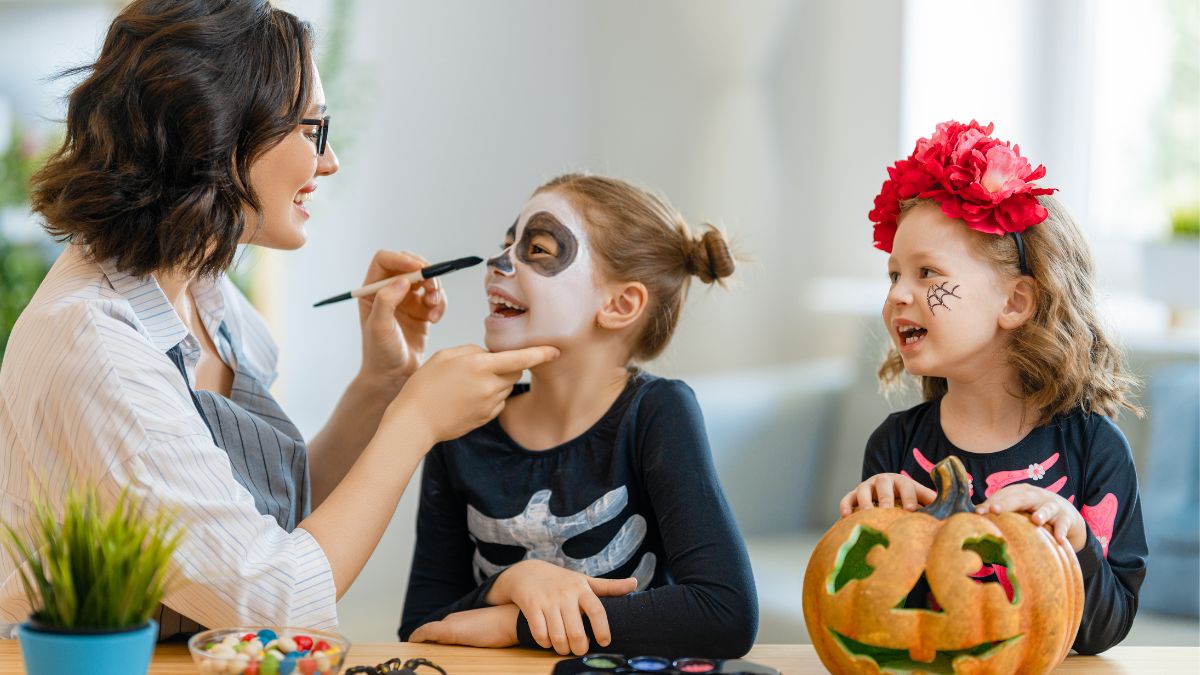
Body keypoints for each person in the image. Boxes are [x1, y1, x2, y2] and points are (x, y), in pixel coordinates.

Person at [0, 0, 556, 639]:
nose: (329, 160)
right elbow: (274, 602)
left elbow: (256, 526)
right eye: (312, 129)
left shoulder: (210, 297)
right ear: (216, 129)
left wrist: (381, 385)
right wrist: (416, 422)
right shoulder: (93, 344)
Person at [399, 174, 758, 656]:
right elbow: (421, 628)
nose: (497, 263)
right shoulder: (462, 424)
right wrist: (512, 582)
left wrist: (515, 624)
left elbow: (724, 612)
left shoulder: (657, 412)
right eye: (507, 244)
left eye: (539, 249)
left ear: (619, 304)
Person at [840, 120, 1147, 655]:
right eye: (893, 276)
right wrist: (873, 527)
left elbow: (1106, 632)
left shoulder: (1096, 450)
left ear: (1015, 303)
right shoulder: (893, 450)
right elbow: (879, 620)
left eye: (927, 273)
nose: (897, 296)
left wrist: (1074, 539)